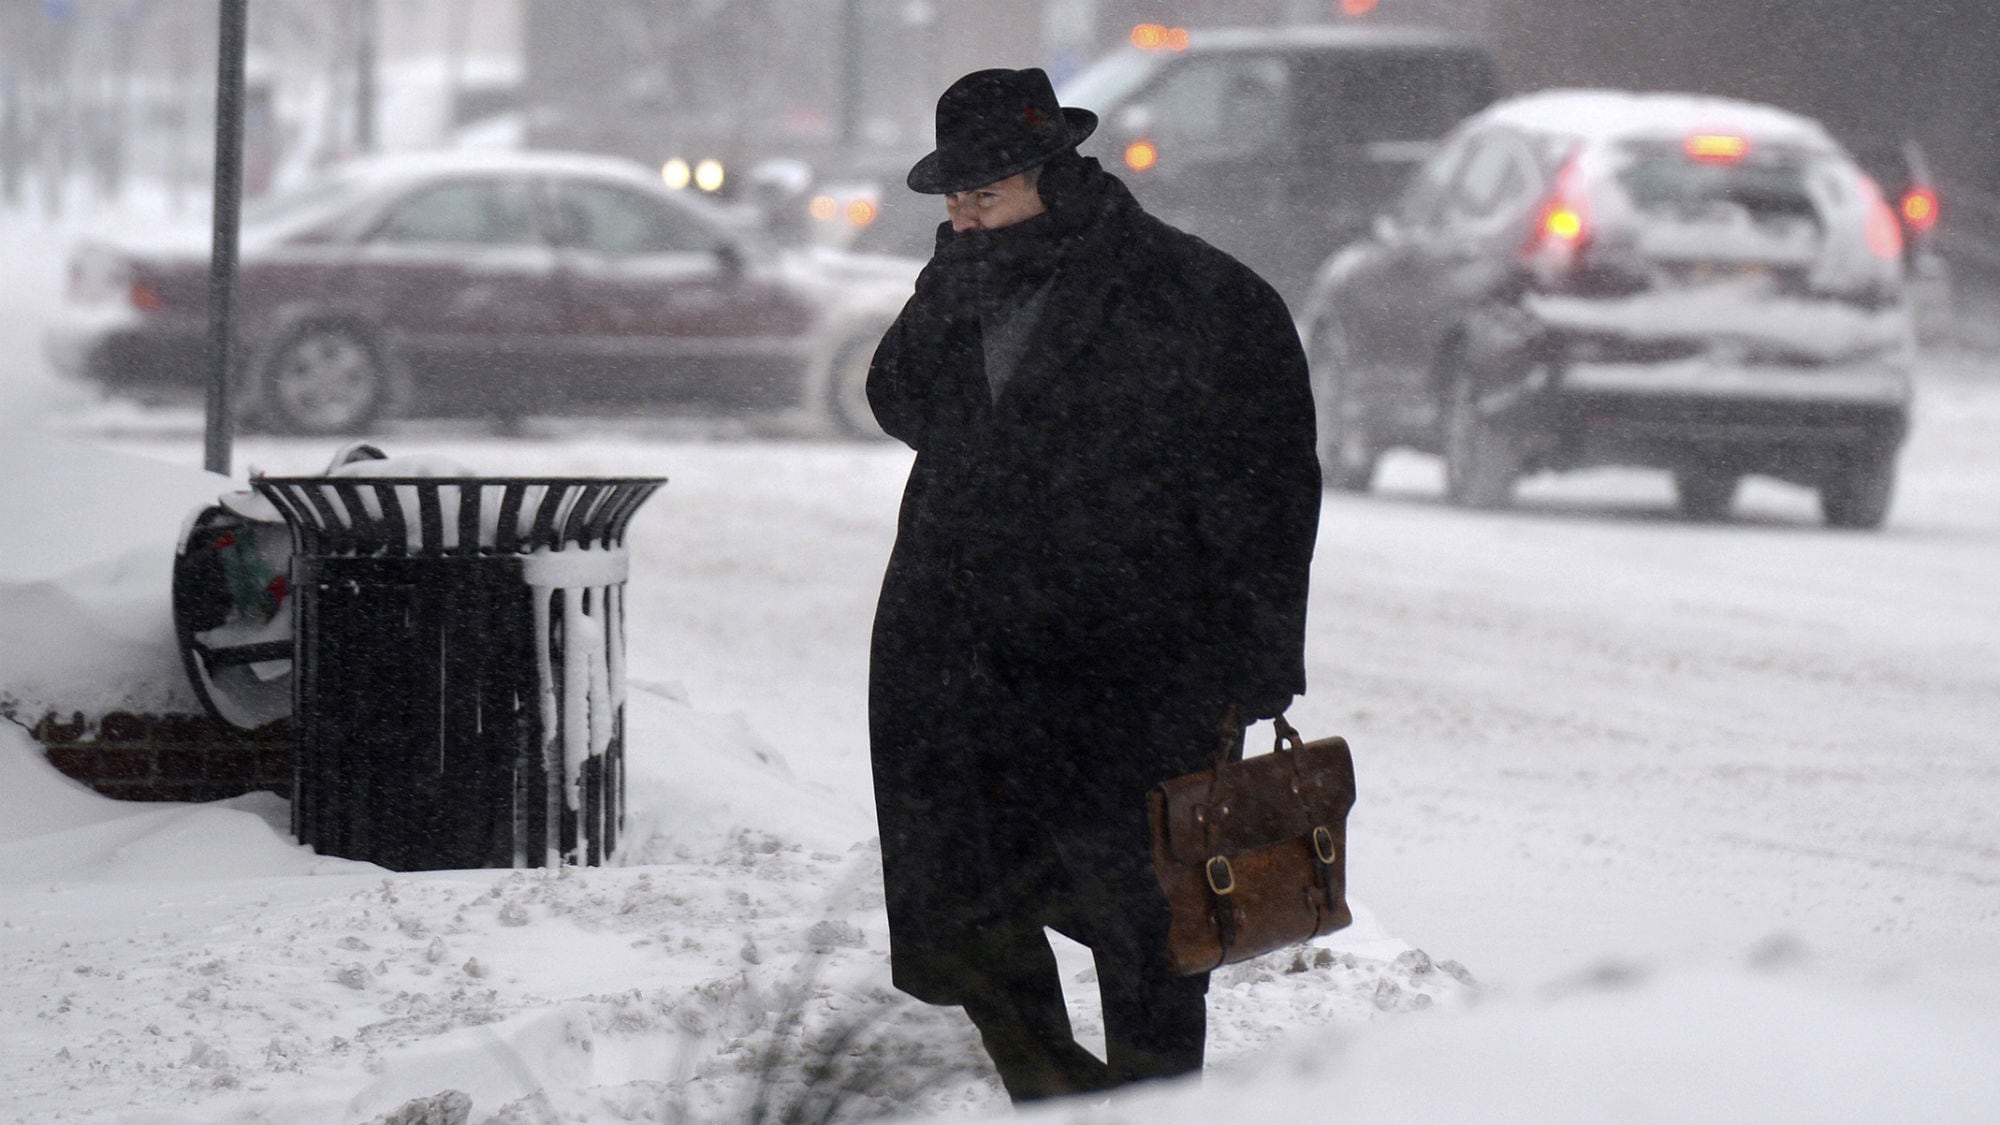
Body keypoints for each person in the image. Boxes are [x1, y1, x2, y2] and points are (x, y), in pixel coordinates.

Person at [865, 67, 1321, 1103]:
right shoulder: (962, 283)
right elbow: (897, 401)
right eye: (951, 194)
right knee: (970, 910)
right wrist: (944, 296)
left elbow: (1270, 489)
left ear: (1051, 172)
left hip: (1134, 670)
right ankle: (1058, 1099)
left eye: (984, 190)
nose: (963, 212)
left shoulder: (1197, 296)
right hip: (961, 661)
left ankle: (1149, 1105)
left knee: (1148, 928)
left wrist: (1256, 661)